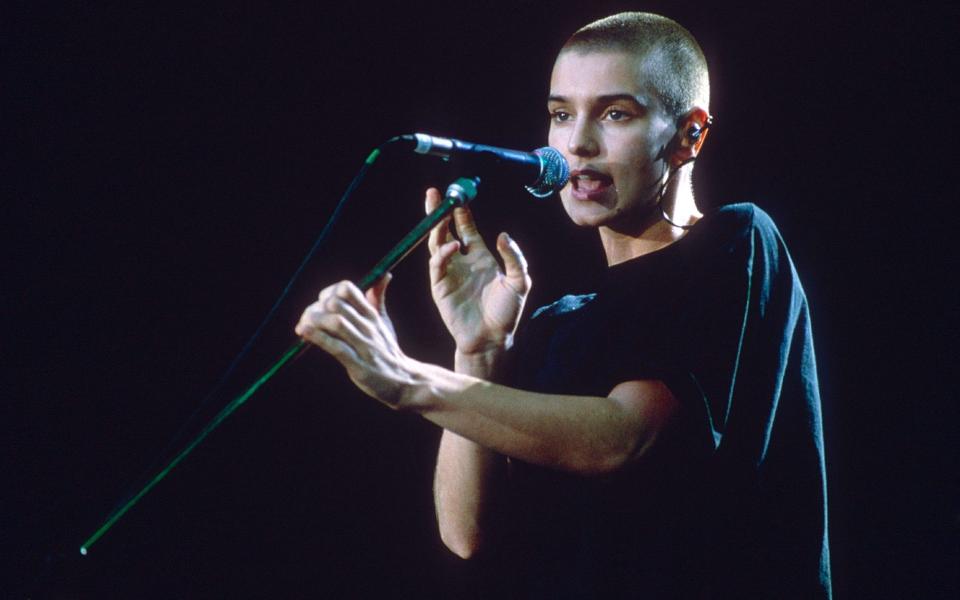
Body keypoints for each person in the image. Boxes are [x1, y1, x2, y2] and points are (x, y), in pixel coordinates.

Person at [296, 12, 832, 599]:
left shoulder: (738, 243)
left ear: (689, 136)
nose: (576, 143)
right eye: (560, 114)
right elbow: (467, 533)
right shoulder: (559, 326)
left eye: (614, 113)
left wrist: (404, 378)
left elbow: (621, 436)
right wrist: (477, 352)